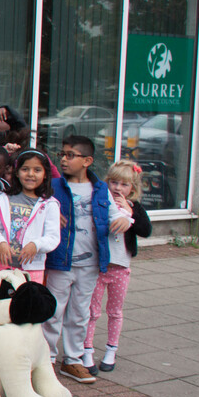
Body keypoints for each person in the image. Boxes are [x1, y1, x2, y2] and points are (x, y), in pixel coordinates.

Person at [44, 136, 132, 383]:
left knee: (80, 313)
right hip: (60, 261)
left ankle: (72, 360)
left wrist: (127, 219)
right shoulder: (54, 186)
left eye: (70, 155)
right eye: (62, 153)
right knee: (54, 311)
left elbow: (117, 213)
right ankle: (48, 359)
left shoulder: (101, 188)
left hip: (91, 263)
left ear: (87, 161)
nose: (63, 159)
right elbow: (39, 208)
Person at [85, 160, 151, 372]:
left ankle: (111, 349)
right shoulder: (101, 201)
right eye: (113, 182)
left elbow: (146, 230)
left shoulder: (135, 207)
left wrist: (130, 214)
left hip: (121, 268)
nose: (117, 188)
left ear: (133, 188)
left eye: (124, 184)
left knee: (115, 311)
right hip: (99, 266)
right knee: (92, 311)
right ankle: (86, 350)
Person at [0, 150, 61, 283]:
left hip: (32, 270)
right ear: (17, 172)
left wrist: (36, 245)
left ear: (45, 174)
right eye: (25, 169)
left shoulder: (50, 204)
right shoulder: (3, 199)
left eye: (37, 170)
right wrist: (0, 243)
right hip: (3, 265)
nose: (30, 174)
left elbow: (53, 237)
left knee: (28, 304)